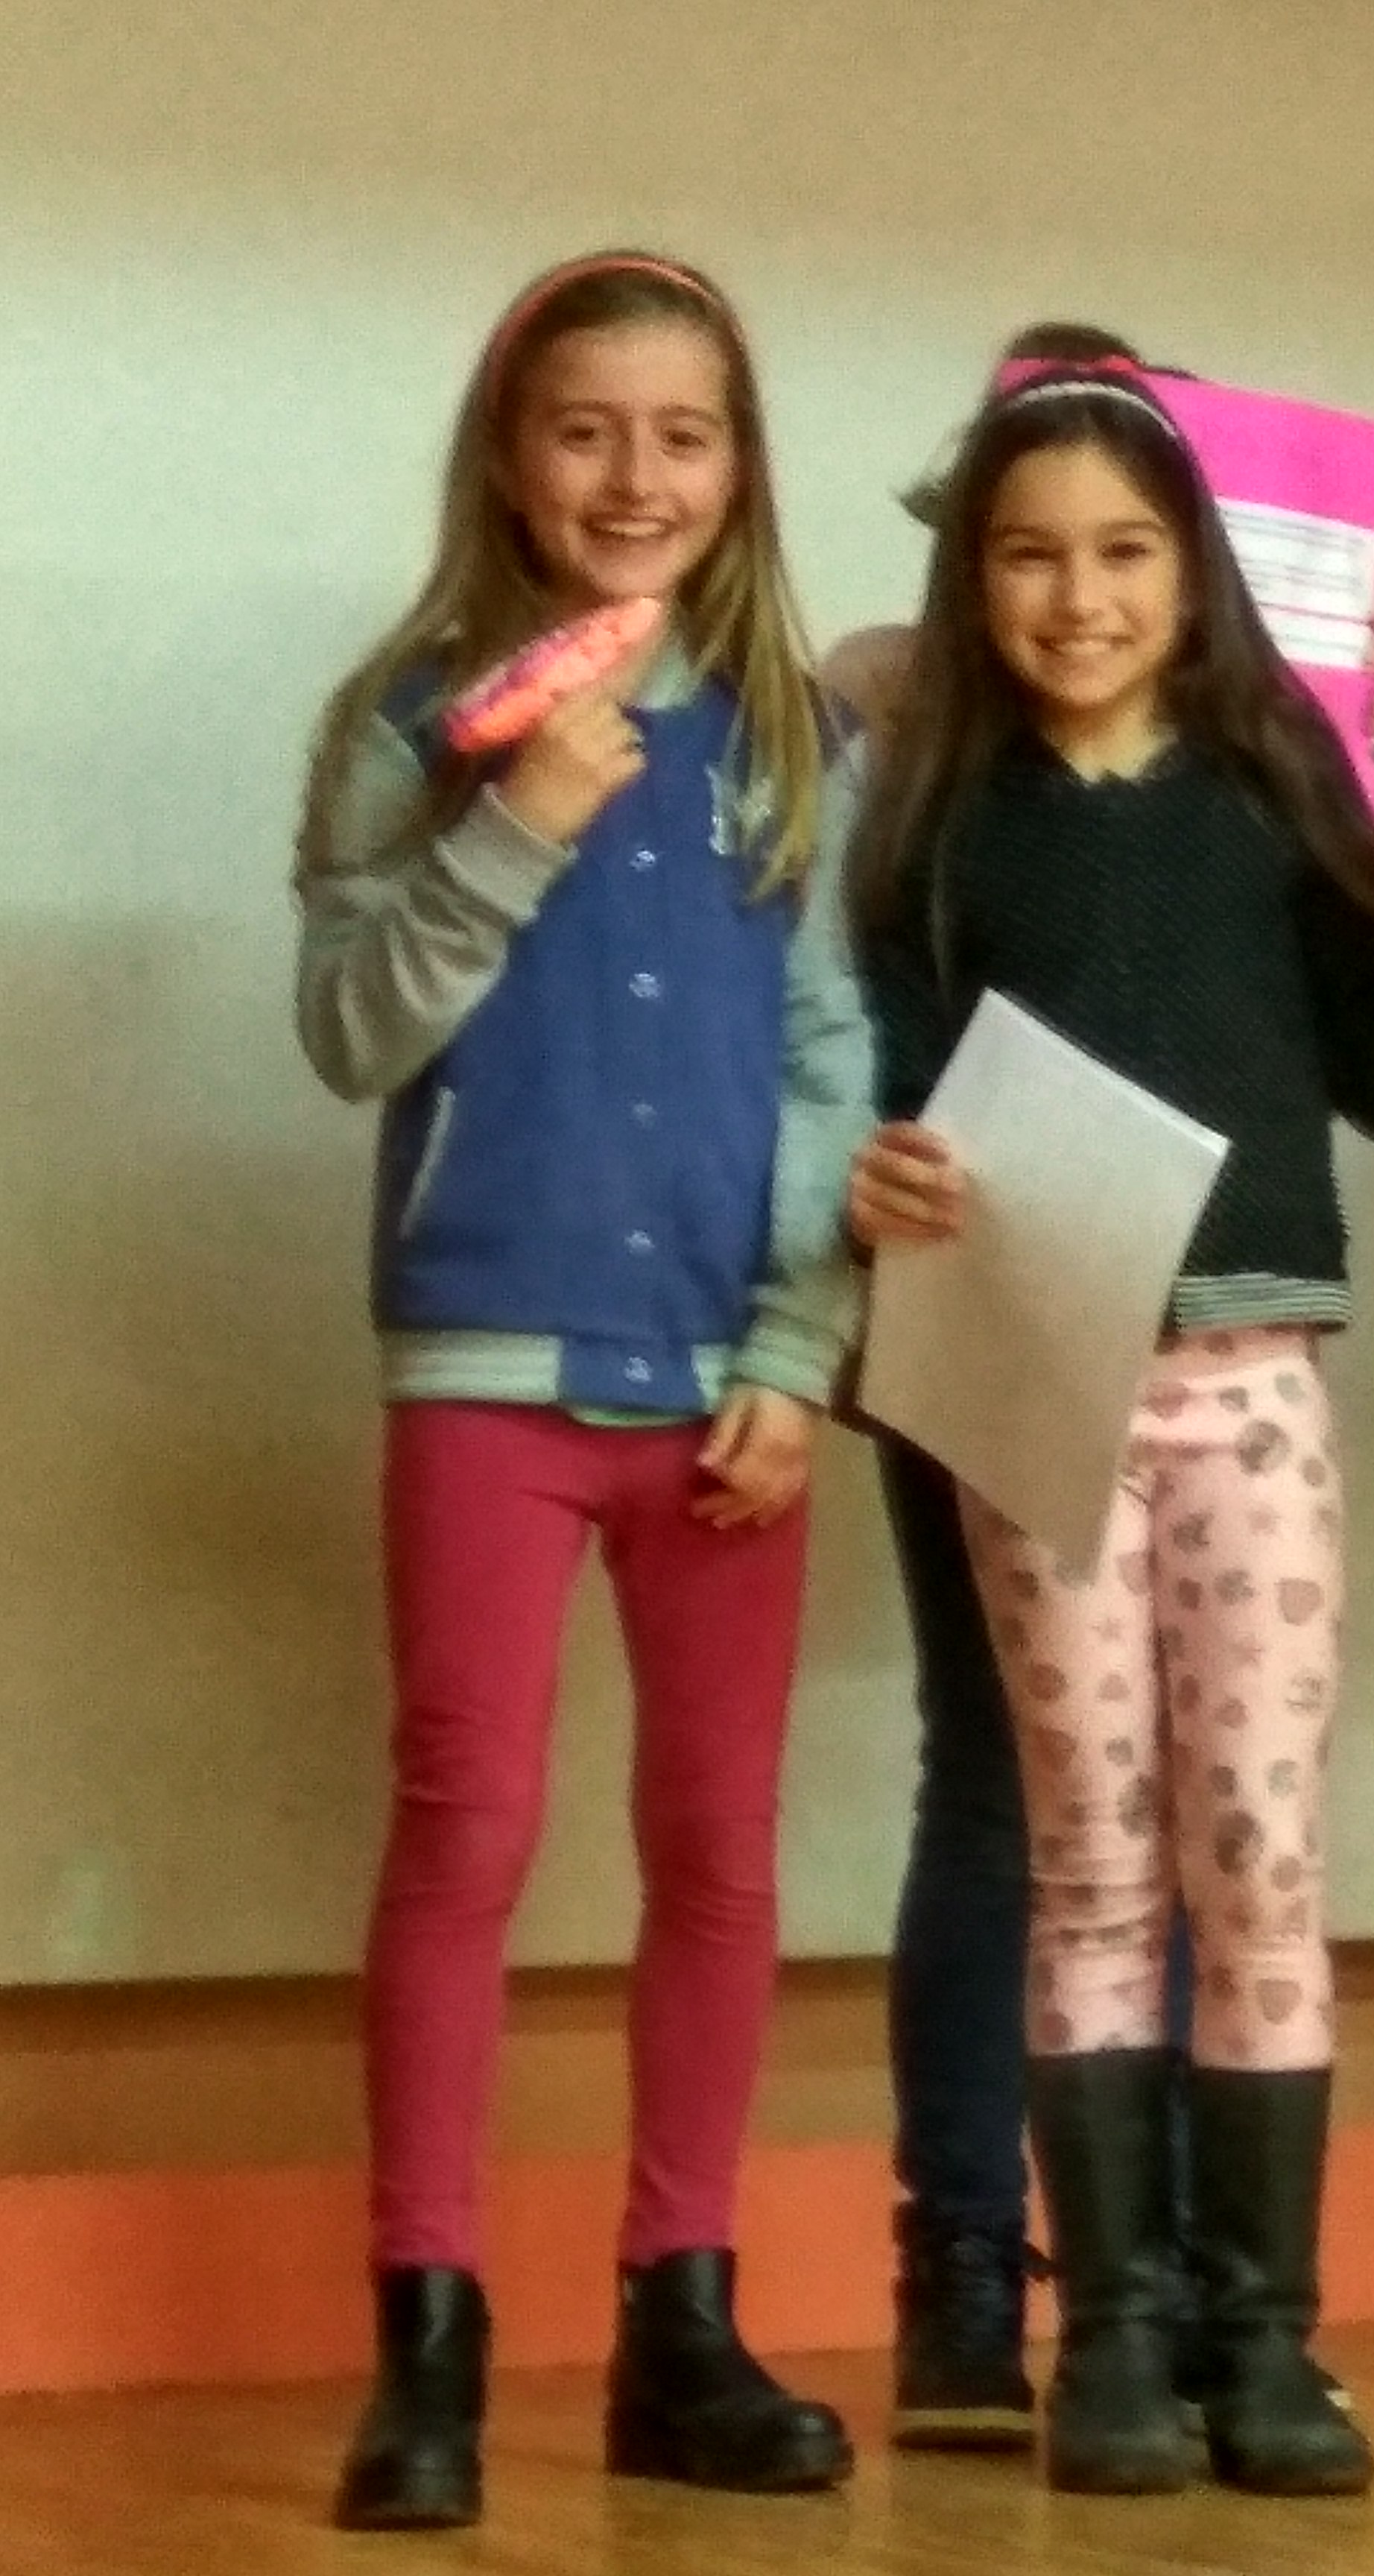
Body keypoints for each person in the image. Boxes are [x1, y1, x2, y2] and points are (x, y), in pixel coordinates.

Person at [842, 350, 1374, 2495]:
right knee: (1087, 1863)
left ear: (1195, 570)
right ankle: (1117, 2338)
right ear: (972, 579)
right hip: (1032, 1382)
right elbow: (884, 1090)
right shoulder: (937, 818)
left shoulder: (1277, 784)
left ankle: (1265, 2341)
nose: (1079, 599)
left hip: (1253, 1391)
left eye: (1125, 552)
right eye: (1029, 557)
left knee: (1261, 1858)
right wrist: (876, 1177)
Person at [291, 249, 873, 2528]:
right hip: (489, 1369)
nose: (637, 477)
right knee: (467, 1832)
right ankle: (427, 2341)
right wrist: (514, 820)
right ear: (511, 456)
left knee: (718, 1848)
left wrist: (800, 1348)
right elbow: (353, 1030)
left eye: (685, 435)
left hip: (730, 1389)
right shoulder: (407, 721)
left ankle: (681, 2324)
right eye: (586, 430)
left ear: (739, 469)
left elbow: (830, 1057)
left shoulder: (797, 742)